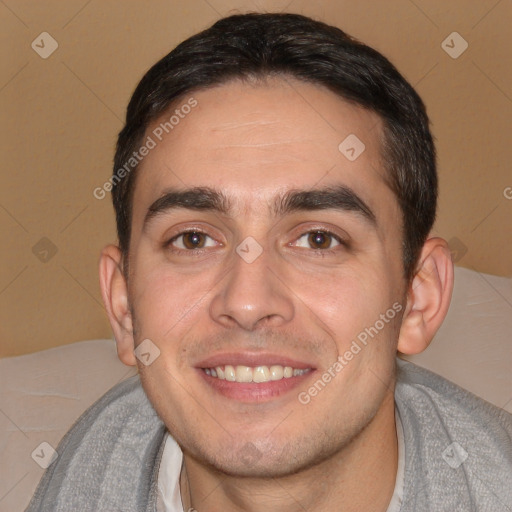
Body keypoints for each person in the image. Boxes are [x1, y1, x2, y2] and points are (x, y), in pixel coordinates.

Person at [27, 12, 512, 512]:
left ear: (418, 299)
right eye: (193, 239)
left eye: (319, 240)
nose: (248, 302)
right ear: (124, 306)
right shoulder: (92, 461)